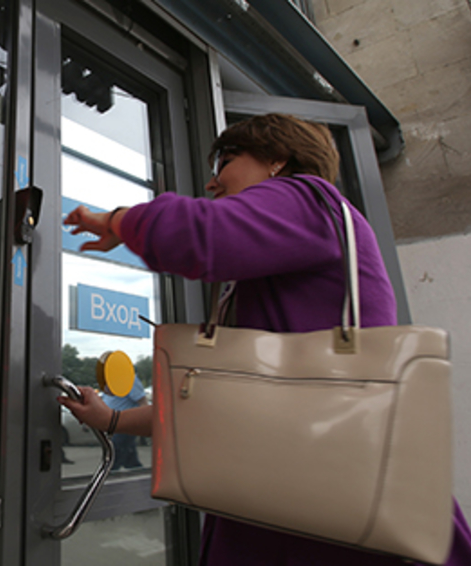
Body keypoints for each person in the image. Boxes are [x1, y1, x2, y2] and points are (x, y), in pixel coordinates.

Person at [60, 113, 471, 565]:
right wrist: (112, 420)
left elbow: (200, 235)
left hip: (318, 521)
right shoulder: (286, 261)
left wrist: (117, 221)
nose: (212, 182)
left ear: (277, 159)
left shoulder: (307, 197)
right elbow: (219, 405)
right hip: (313, 505)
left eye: (225, 162)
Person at [103, 374, 147, 470]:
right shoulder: (112, 380)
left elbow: (143, 402)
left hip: (125, 424)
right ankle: (138, 471)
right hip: (113, 425)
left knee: (114, 455)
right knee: (130, 461)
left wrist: (143, 424)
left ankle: (108, 475)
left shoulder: (129, 379)